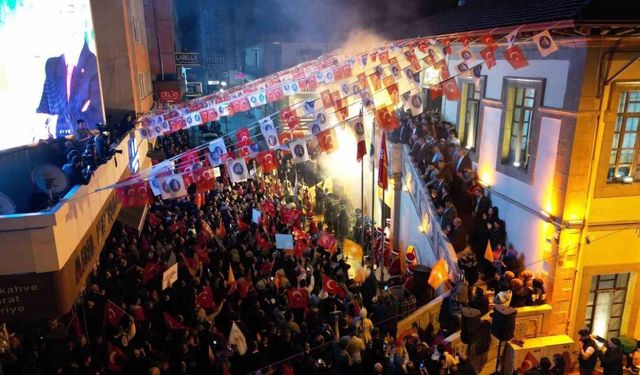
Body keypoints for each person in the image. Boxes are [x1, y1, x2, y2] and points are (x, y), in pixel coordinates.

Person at [36, 2, 103, 139]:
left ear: (84, 21)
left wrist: (55, 125)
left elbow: (96, 118)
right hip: (54, 153)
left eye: (70, 11)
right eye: (60, 12)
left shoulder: (95, 65)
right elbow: (41, 112)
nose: (64, 18)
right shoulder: (51, 65)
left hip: (86, 152)